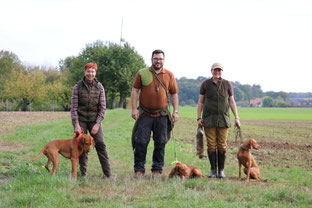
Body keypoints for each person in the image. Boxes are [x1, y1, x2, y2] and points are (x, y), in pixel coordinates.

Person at [131, 49, 179, 177]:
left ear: (164, 60)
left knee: (160, 142)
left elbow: (174, 93)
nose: (158, 61)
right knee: (141, 142)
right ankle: (139, 170)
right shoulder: (142, 73)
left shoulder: (169, 75)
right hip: (145, 114)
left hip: (162, 115)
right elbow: (135, 90)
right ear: (151, 59)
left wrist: (175, 111)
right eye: (156, 58)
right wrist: (134, 109)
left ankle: (157, 170)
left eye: (160, 59)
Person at [197, 63, 240, 178]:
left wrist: (236, 117)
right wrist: (199, 117)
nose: (217, 72)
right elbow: (200, 102)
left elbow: (232, 101)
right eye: (215, 70)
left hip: (223, 119)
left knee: (222, 144)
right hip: (209, 119)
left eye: (219, 70)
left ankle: (221, 171)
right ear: (211, 71)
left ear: (222, 71)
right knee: (211, 144)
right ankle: (212, 170)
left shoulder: (227, 84)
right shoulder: (205, 84)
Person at [70, 62, 111, 179]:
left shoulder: (100, 87)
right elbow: (73, 108)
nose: (90, 73)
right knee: (81, 146)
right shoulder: (77, 87)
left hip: (94, 120)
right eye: (88, 71)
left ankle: (108, 175)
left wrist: (98, 124)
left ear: (95, 73)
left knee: (101, 145)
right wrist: (76, 125)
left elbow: (103, 108)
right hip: (81, 119)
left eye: (92, 71)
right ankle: (83, 175)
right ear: (85, 72)